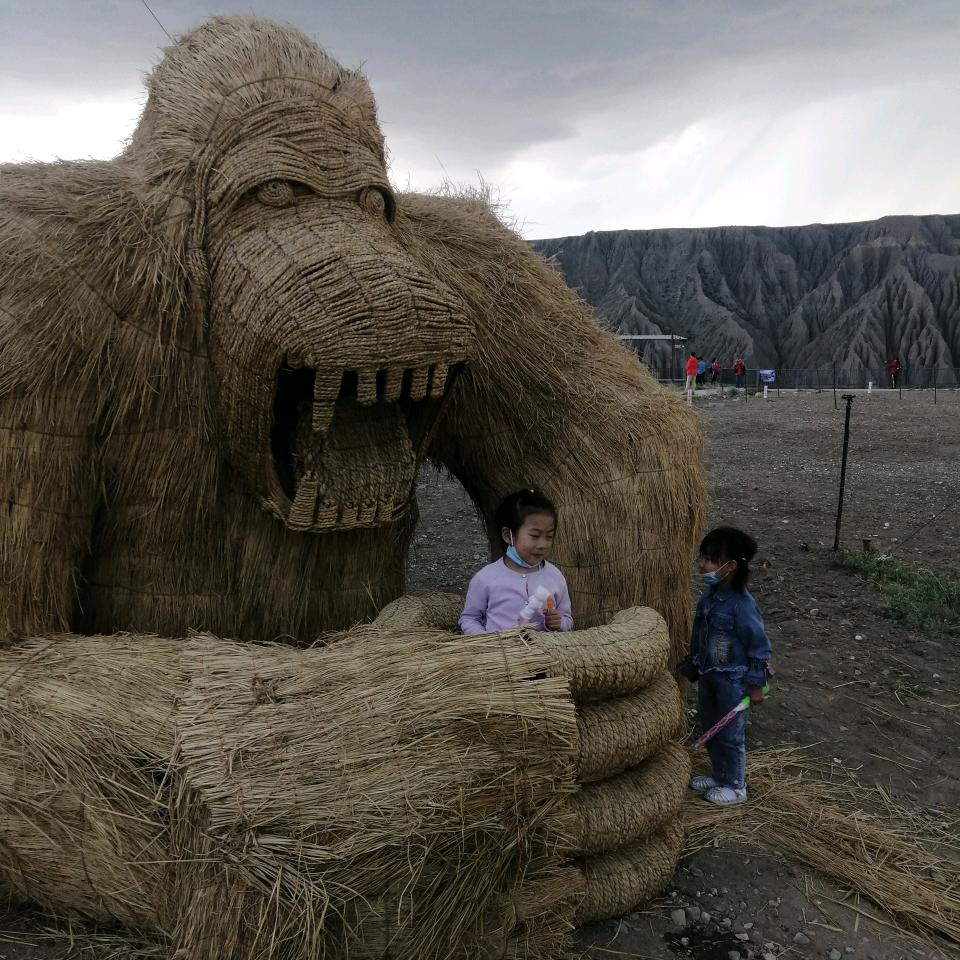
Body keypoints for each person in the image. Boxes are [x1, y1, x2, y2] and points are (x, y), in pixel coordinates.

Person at [679, 526, 772, 806]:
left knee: (730, 735)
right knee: (711, 727)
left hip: (733, 682)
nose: (701, 564)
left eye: (709, 559)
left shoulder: (743, 605)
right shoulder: (708, 598)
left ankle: (735, 785)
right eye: (701, 557)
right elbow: (699, 636)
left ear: (730, 566)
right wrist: (692, 666)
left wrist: (756, 684)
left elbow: (759, 646)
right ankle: (719, 775)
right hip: (709, 676)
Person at [460, 489, 573, 634]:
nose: (543, 544)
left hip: (542, 649)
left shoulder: (555, 577)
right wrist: (485, 640)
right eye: (535, 535)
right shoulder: (485, 578)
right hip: (499, 648)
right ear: (508, 536)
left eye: (549, 537)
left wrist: (559, 623)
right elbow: (469, 619)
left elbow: (567, 619)